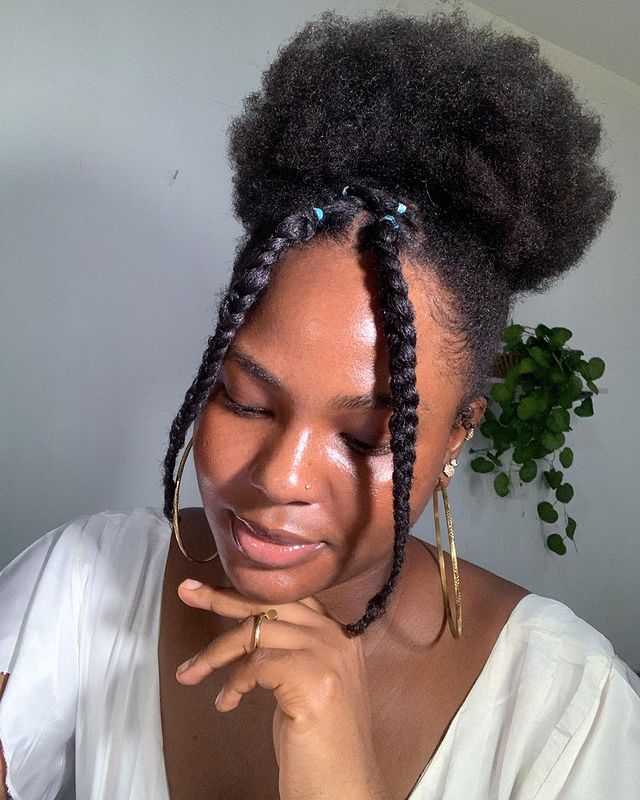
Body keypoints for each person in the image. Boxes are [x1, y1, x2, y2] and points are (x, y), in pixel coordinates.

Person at [1, 9, 639, 800]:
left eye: (369, 436)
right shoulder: (83, 586)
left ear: (455, 440)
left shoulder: (569, 717)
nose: (281, 479)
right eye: (246, 401)